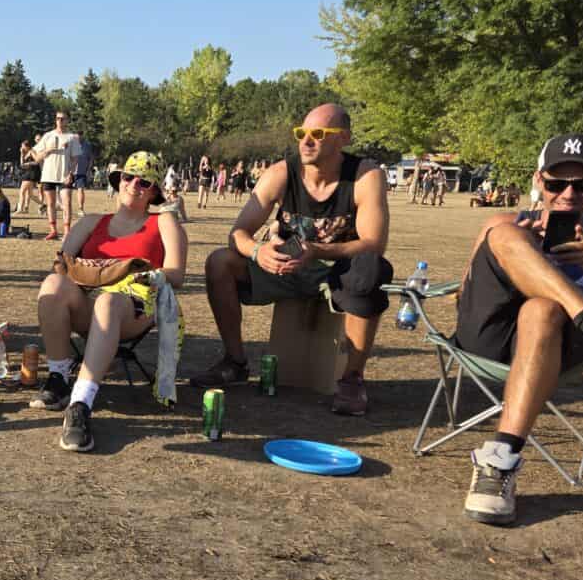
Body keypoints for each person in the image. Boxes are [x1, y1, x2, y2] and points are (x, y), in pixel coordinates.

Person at [453, 133, 583, 525]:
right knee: (503, 233)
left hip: (557, 348)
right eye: (556, 183)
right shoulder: (503, 222)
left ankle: (500, 460)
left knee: (542, 310)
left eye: (582, 184)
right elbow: (465, 293)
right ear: (538, 180)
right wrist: (521, 256)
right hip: (490, 337)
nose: (568, 194)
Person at [190, 103, 392, 415]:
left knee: (371, 268)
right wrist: (257, 251)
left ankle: (352, 379)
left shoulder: (365, 175)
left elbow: (373, 244)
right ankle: (234, 362)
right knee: (220, 262)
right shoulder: (280, 173)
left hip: (337, 273)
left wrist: (317, 250)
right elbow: (238, 233)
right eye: (301, 133)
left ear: (344, 138)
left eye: (318, 133)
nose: (306, 141)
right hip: (286, 268)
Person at [34, 151, 186, 452]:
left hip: (135, 305)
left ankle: (80, 404)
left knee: (108, 302)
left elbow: (177, 274)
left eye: (144, 182)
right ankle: (58, 378)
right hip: (88, 301)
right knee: (53, 284)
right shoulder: (91, 221)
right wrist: (91, 270)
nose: (134, 185)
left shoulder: (163, 221)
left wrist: (137, 273)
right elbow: (61, 263)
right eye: (128, 177)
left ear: (154, 191)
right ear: (119, 181)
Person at [36, 111, 81, 240]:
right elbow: (38, 157)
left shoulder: (72, 137)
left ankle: (67, 231)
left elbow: (75, 159)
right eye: (57, 118)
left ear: (67, 121)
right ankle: (53, 230)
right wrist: (48, 150)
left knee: (67, 203)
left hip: (64, 175)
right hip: (48, 175)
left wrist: (71, 173)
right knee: (50, 203)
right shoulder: (48, 136)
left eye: (62, 119)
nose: (59, 121)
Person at [18, 134, 42, 215]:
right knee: (31, 195)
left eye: (22, 146)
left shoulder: (32, 151)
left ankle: (20, 209)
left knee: (22, 191)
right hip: (28, 172)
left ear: (27, 146)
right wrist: (21, 154)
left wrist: (28, 163)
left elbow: (37, 161)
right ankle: (44, 205)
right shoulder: (26, 153)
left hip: (31, 173)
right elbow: (22, 164)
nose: (22, 148)